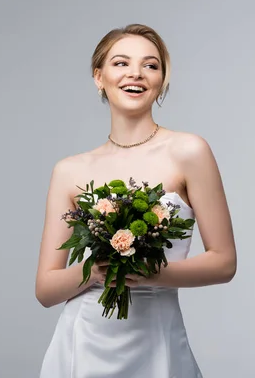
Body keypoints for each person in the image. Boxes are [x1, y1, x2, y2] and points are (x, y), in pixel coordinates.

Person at [35, 23, 237, 378]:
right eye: (120, 63)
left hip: (156, 338)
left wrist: (152, 273)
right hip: (84, 341)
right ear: (99, 77)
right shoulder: (69, 170)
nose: (136, 74)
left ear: (161, 80)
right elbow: (46, 289)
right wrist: (95, 272)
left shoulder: (189, 151)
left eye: (150, 65)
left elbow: (224, 262)